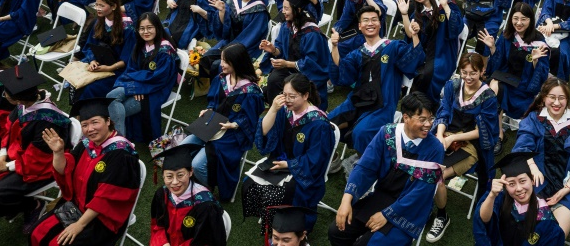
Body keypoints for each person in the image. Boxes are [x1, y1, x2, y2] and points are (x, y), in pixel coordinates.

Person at [328, 92, 444, 246]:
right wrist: (346, 198)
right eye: (422, 119)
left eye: (431, 119)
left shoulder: (434, 148)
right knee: (337, 232)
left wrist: (387, 215)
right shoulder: (388, 134)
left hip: (409, 210)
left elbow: (421, 192)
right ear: (406, 118)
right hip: (381, 197)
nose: (429, 124)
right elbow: (365, 167)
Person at [29, 98, 141, 246]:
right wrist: (58, 152)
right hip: (75, 206)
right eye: (85, 125)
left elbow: (106, 199)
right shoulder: (87, 144)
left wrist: (79, 225)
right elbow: (64, 170)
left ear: (108, 121)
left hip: (101, 219)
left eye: (95, 122)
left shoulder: (121, 155)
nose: (90, 129)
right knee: (36, 232)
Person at [328, 5, 424, 169]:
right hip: (356, 101)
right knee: (326, 124)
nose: (370, 23)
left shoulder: (393, 47)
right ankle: (335, 159)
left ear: (380, 24)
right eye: (365, 20)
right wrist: (335, 46)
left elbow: (412, 60)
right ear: (359, 26)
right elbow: (342, 75)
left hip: (382, 104)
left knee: (361, 133)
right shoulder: (358, 53)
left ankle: (366, 167)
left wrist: (415, 35)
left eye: (374, 19)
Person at [512, 78, 570, 239]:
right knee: (520, 230)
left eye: (561, 98)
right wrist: (533, 167)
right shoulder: (534, 119)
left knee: (554, 235)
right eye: (552, 97)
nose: (556, 102)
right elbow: (523, 148)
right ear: (544, 97)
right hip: (537, 182)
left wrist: (565, 190)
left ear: (567, 100)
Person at [427, 53, 499, 242]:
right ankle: (423, 207)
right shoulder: (453, 86)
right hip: (447, 135)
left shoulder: (488, 97)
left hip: (471, 146)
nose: (467, 77)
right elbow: (443, 111)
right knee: (420, 167)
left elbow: (483, 131)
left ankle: (442, 216)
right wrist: (441, 135)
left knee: (437, 176)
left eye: (473, 73)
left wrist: (454, 139)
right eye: (464, 72)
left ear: (482, 72)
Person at [249, 73, 334, 232]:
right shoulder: (285, 111)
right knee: (250, 183)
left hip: (304, 172)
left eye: (292, 96)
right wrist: (273, 110)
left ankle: (291, 228)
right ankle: (272, 219)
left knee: (286, 191)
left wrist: (289, 164)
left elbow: (316, 161)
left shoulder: (319, 124)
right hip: (281, 161)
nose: (286, 99)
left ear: (305, 95)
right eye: (284, 94)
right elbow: (264, 132)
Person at [182, 43, 265, 202]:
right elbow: (213, 101)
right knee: (183, 148)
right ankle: (201, 184)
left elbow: (252, 118)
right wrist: (208, 109)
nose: (221, 64)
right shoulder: (222, 79)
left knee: (198, 164)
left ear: (237, 63)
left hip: (232, 134)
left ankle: (206, 193)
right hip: (213, 123)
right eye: (221, 60)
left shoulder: (251, 91)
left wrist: (234, 124)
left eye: (226, 61)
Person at [0, 66, 71, 226]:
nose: (4, 95)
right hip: (17, 158)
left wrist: (5, 166)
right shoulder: (24, 106)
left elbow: (36, 162)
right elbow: (7, 133)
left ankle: (32, 206)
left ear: (18, 99)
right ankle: (15, 202)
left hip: (38, 168)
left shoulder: (47, 121)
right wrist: (2, 156)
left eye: (6, 94)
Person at [106, 12, 178, 142]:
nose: (146, 32)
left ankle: (119, 141)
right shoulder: (140, 45)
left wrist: (139, 88)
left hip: (155, 90)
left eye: (150, 27)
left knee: (112, 100)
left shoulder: (165, 51)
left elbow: (159, 78)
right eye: (142, 28)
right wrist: (137, 87)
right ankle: (120, 140)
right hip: (138, 84)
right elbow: (131, 68)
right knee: (114, 104)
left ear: (157, 27)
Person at [473, 152, 566, 246]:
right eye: (511, 184)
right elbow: (483, 220)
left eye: (522, 181)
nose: (519, 188)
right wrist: (492, 195)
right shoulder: (499, 198)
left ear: (532, 180)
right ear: (505, 185)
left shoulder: (546, 219)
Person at [260, 0, 331, 109]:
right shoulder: (287, 26)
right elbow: (281, 49)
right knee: (274, 79)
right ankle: (278, 111)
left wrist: (287, 64)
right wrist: (273, 50)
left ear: (297, 10)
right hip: (291, 70)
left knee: (296, 87)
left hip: (309, 75)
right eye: (283, 8)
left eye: (286, 8)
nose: (283, 11)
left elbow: (311, 63)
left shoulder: (312, 34)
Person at [480, 2, 549, 124]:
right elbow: (498, 63)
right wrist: (492, 48)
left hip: (523, 86)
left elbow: (542, 75)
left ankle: (493, 130)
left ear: (531, 20)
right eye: (515, 18)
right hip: (504, 78)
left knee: (495, 87)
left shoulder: (539, 43)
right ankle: (497, 131)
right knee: (496, 85)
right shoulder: (508, 35)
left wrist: (535, 61)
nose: (519, 23)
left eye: (524, 19)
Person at [399, 0, 462, 104]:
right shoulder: (418, 14)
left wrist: (445, 6)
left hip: (443, 54)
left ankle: (423, 105)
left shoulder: (446, 4)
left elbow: (457, 29)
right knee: (401, 64)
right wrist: (404, 14)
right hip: (423, 54)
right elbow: (410, 35)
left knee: (425, 75)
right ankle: (413, 103)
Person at [198, 0, 270, 80]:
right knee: (207, 56)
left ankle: (224, 90)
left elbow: (251, 37)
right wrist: (222, 12)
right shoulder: (232, 1)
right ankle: (206, 87)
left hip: (246, 48)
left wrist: (229, 50)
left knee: (218, 64)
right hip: (229, 41)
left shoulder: (259, 10)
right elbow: (223, 31)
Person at [150, 144, 227, 246]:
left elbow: (207, 241)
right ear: (163, 176)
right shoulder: (162, 194)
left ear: (191, 172)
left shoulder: (206, 205)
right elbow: (158, 226)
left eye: (180, 175)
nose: (175, 182)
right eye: (169, 176)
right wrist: (163, 243)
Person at [74, 0, 136, 102]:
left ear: (113, 7)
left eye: (102, 6)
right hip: (98, 63)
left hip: (117, 70)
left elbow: (128, 58)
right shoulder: (98, 22)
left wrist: (109, 68)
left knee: (90, 88)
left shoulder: (127, 27)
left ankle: (93, 115)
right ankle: (81, 117)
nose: (97, 8)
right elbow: (89, 46)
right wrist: (92, 61)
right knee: (77, 82)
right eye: (96, 4)